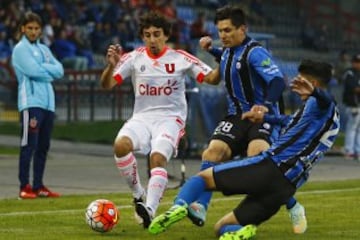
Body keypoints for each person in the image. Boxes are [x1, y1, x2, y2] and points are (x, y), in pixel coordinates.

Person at [148, 59, 340, 239]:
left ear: (313, 82)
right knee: (221, 228)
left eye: (301, 80)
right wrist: (265, 119)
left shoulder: (321, 103)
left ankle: (178, 207)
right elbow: (290, 121)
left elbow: (326, 99)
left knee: (202, 178)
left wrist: (315, 92)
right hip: (286, 187)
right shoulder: (326, 116)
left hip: (272, 166)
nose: (296, 83)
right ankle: (242, 232)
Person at [186, 5, 306, 234]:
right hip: (236, 115)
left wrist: (264, 106)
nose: (223, 35)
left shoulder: (255, 51)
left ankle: (292, 204)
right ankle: (201, 206)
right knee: (212, 153)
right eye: (220, 30)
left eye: (228, 30)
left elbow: (277, 81)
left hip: (262, 116)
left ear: (243, 29)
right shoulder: (229, 51)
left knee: (257, 160)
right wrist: (212, 51)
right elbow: (229, 62)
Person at [100, 11, 220, 228]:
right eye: (147, 35)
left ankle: (150, 209)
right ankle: (138, 194)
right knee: (120, 146)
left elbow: (211, 78)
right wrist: (110, 66)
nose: (152, 39)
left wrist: (224, 58)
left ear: (166, 36)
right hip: (142, 118)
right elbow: (107, 84)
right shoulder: (133, 58)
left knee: (157, 158)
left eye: (157, 34)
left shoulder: (180, 58)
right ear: (142, 37)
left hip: (170, 120)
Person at [11, 11, 64, 199]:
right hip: (30, 103)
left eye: (36, 29)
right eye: (30, 28)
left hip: (48, 104)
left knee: (43, 147)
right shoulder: (20, 49)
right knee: (28, 145)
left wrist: (43, 69)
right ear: (23, 29)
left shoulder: (44, 50)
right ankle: (24, 186)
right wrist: (46, 71)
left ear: (40, 31)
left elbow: (60, 70)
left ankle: (39, 186)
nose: (33, 32)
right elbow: (32, 70)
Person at [342, 53, 360, 161]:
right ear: (353, 62)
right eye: (357, 62)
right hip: (353, 104)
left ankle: (358, 151)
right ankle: (349, 150)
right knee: (352, 128)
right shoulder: (350, 73)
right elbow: (353, 88)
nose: (358, 64)